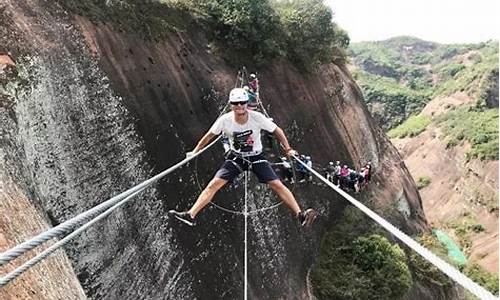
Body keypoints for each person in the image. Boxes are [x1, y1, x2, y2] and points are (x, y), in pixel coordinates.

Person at [169, 88, 316, 228]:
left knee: (277, 185)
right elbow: (209, 136)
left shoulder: (257, 117)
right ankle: (191, 215)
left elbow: (277, 130)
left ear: (246, 103)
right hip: (236, 157)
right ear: (231, 105)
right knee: (213, 184)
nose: (239, 106)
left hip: (256, 156)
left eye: (242, 103)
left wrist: (288, 149)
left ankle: (301, 215)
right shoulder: (225, 120)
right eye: (235, 103)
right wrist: (195, 151)